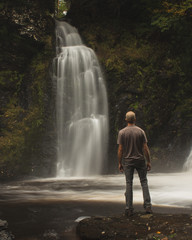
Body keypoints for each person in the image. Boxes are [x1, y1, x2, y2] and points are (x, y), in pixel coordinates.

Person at [117, 111, 152, 217]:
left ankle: (129, 208)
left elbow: (120, 149)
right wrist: (148, 161)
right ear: (135, 119)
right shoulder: (141, 131)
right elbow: (145, 148)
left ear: (126, 120)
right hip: (140, 160)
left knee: (129, 183)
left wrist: (119, 162)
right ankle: (148, 206)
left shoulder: (122, 132)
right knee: (144, 182)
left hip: (128, 161)